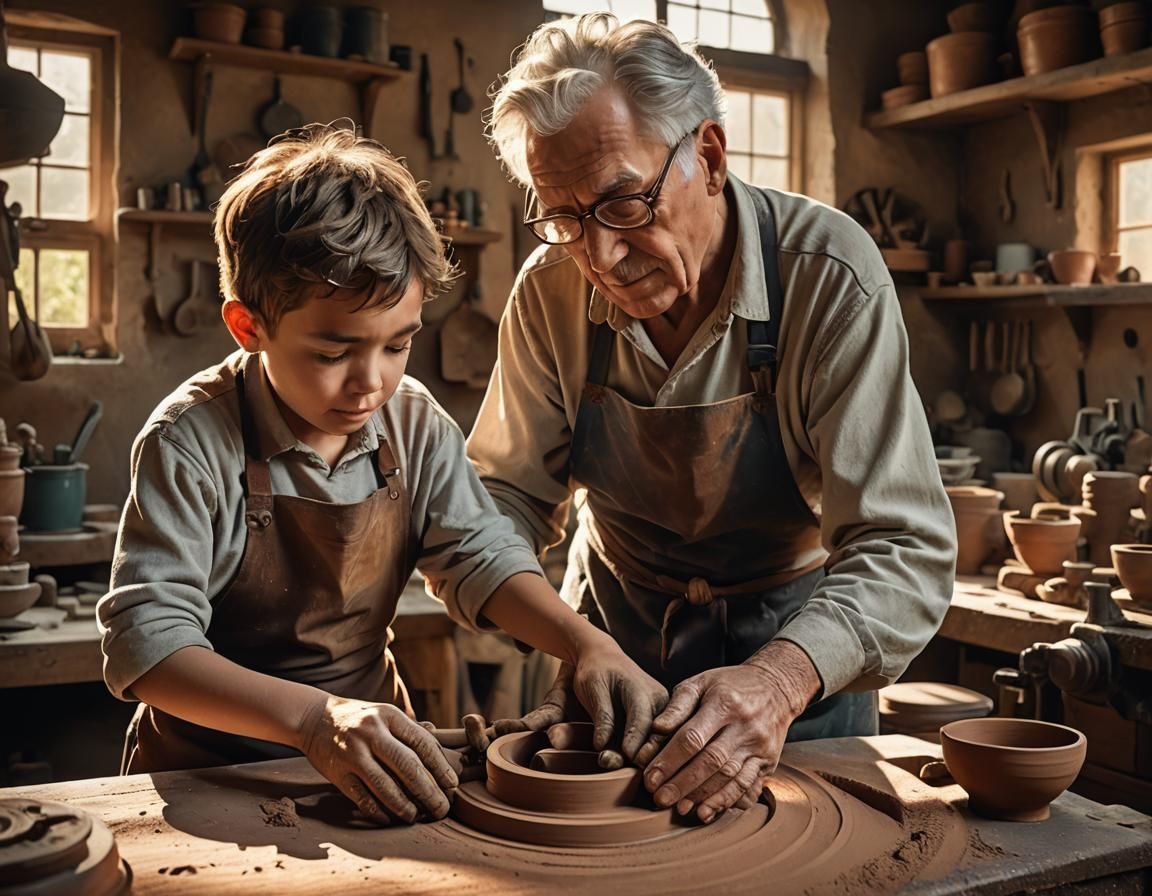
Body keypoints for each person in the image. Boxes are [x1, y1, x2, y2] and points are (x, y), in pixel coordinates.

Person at [98, 123, 666, 825]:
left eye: (398, 344)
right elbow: (146, 647)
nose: (371, 382)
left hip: (372, 761)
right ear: (249, 328)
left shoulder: (413, 422)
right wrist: (313, 721)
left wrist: (585, 644)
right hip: (208, 772)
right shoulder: (189, 442)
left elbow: (479, 555)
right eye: (334, 351)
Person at [468, 14, 956, 823]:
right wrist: (573, 643)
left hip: (796, 658)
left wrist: (778, 682)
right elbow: (498, 506)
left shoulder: (829, 278)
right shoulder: (549, 289)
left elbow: (905, 547)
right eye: (564, 217)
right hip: (612, 645)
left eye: (623, 204)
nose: (601, 257)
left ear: (711, 156)